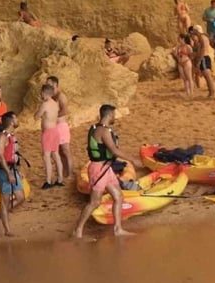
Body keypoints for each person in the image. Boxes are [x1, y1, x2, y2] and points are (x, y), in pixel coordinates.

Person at [73, 104, 138, 239]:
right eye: (114, 115)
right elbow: (114, 150)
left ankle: (118, 229)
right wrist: (133, 159)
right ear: (109, 115)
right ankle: (77, 231)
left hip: (106, 169)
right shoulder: (103, 131)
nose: (115, 117)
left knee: (118, 196)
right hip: (99, 170)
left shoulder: (97, 128)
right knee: (94, 202)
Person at [0, 113, 22, 237]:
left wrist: (17, 170)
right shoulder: (1, 137)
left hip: (12, 169)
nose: (18, 120)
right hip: (4, 171)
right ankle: (7, 229)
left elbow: (15, 154)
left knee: (20, 197)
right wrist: (8, 173)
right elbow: (0, 156)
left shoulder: (11, 136)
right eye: (16, 118)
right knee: (5, 201)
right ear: (11, 121)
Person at [36, 83, 67, 189]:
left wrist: (38, 110)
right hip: (55, 130)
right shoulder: (55, 103)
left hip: (48, 132)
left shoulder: (45, 104)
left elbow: (36, 116)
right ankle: (60, 179)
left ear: (44, 93)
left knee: (46, 156)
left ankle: (48, 181)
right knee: (56, 155)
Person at [48, 75, 74, 178]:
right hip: (55, 126)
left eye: (49, 83)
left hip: (61, 126)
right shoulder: (51, 96)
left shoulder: (61, 96)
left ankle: (70, 173)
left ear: (55, 84)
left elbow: (65, 110)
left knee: (66, 151)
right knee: (59, 151)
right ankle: (64, 173)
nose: (47, 85)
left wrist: (54, 116)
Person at [190, 27, 215, 98]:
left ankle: (212, 92)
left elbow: (202, 50)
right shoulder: (203, 37)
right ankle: (211, 92)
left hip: (204, 58)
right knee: (207, 76)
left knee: (207, 76)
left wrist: (198, 60)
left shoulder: (201, 38)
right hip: (204, 57)